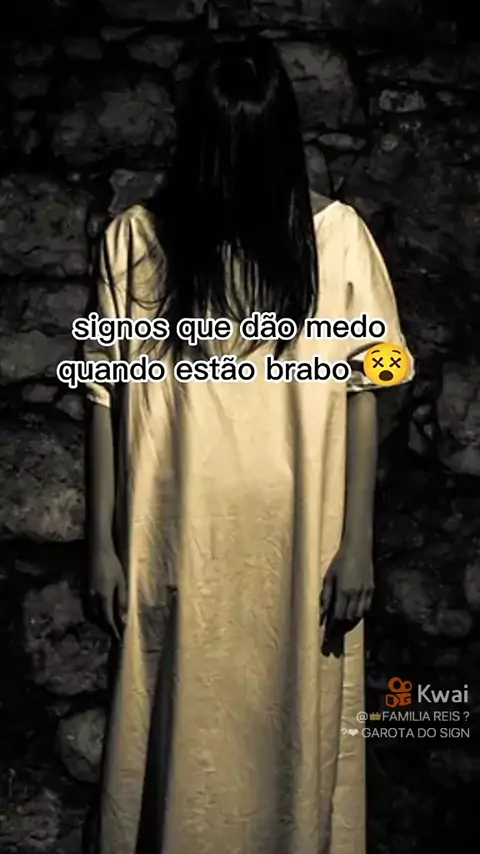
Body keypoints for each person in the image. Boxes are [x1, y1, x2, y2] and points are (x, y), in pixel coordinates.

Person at [83, 35, 414, 854]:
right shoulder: (137, 241)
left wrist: (359, 544)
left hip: (300, 548)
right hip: (174, 538)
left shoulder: (336, 239)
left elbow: (370, 386)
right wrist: (103, 544)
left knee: (291, 744)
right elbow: (104, 394)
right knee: (178, 742)